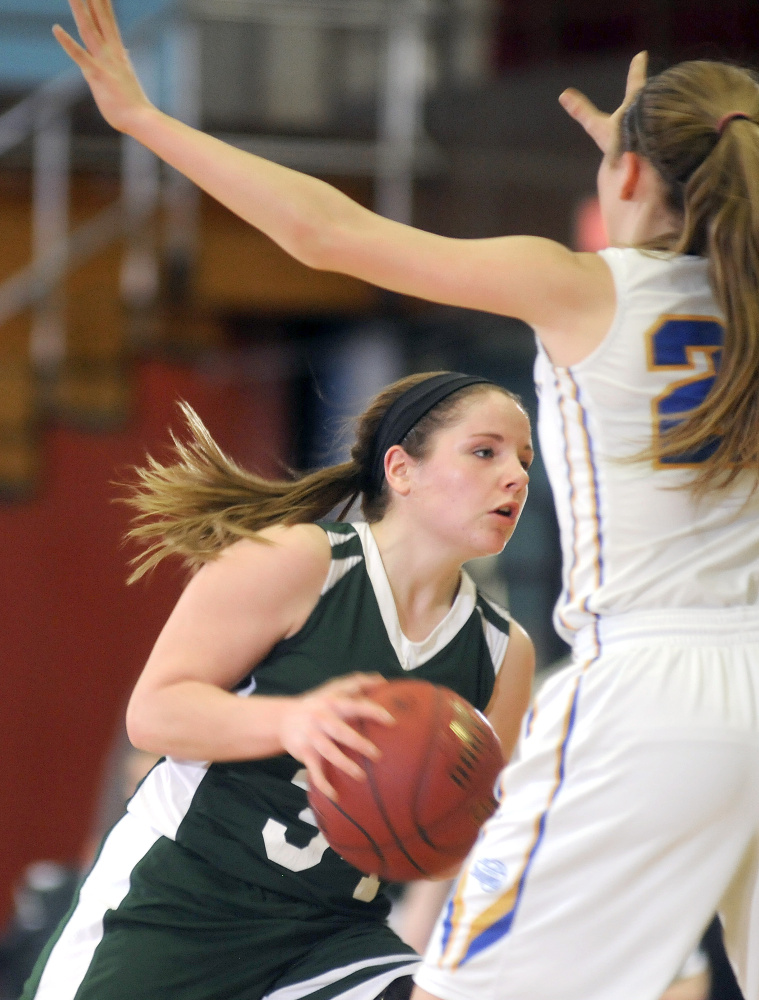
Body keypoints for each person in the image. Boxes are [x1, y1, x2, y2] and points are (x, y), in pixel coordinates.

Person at [53, 3, 759, 996]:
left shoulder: (582, 286)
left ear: (631, 177)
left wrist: (146, 121)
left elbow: (324, 230)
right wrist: (656, 167)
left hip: (646, 681)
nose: (512, 474)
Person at [21, 373, 535, 1000]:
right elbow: (154, 712)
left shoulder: (503, 653)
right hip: (180, 908)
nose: (515, 475)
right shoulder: (300, 561)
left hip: (329, 937)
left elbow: (463, 842)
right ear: (401, 470)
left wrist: (454, 840)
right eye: (486, 452)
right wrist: (292, 722)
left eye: (523, 459)